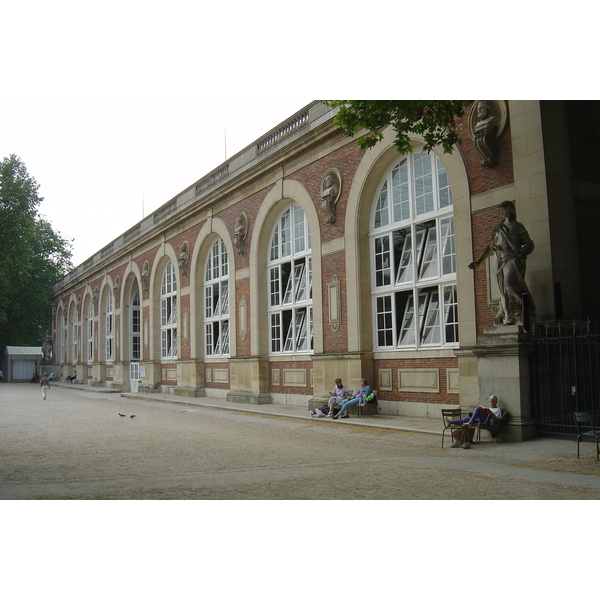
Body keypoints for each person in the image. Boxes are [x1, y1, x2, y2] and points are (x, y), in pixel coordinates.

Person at [468, 201, 536, 326]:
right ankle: (508, 316)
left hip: (511, 258)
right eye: (501, 211)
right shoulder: (499, 227)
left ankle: (525, 307)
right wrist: (478, 262)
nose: (502, 213)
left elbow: (529, 244)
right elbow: (490, 247)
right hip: (498, 259)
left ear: (510, 209)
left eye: (503, 210)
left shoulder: (518, 226)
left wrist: (521, 253)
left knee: (509, 284)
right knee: (502, 290)